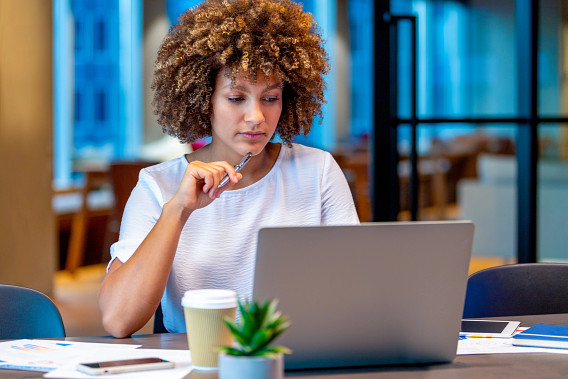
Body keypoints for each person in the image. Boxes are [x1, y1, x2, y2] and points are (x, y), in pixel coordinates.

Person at [98, 0, 359, 338]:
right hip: (198, 363)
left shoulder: (317, 170)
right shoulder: (157, 185)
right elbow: (119, 320)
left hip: (296, 359)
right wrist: (178, 210)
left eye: (270, 98)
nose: (257, 117)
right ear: (204, 98)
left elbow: (355, 287)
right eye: (237, 98)